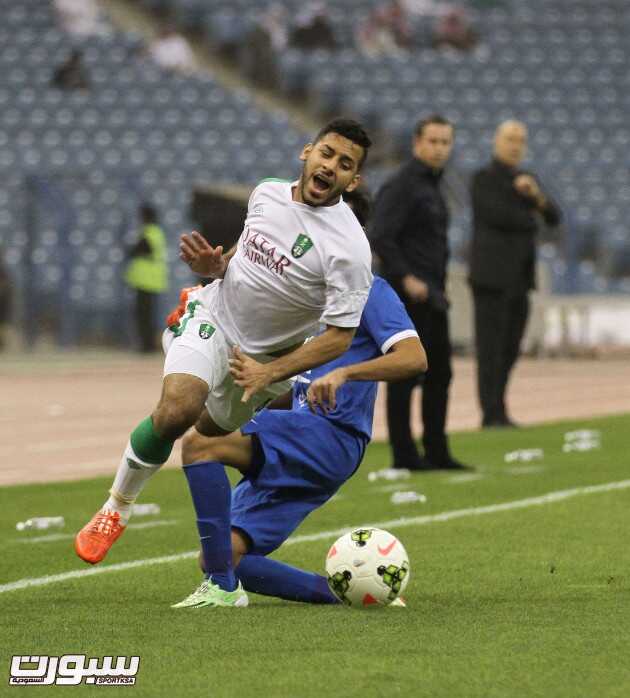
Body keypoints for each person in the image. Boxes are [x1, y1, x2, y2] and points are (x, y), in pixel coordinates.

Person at [74, 118, 374, 565]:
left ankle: (220, 562)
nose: (332, 166)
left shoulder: (350, 248)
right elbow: (245, 250)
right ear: (307, 153)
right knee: (178, 409)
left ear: (354, 180)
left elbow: (338, 338)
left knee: (209, 436)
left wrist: (270, 372)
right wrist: (216, 268)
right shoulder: (267, 192)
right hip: (213, 317)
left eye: (345, 164)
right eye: (327, 154)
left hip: (260, 363)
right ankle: (115, 508)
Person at [171, 273, 426, 608]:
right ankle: (346, 594)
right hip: (306, 436)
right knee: (221, 554)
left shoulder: (369, 290)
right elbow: (298, 391)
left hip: (331, 434)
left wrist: (346, 373)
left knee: (199, 445)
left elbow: (414, 358)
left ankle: (222, 590)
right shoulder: (300, 292)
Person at [369, 114, 469, 472]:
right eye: (433, 141)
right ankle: (404, 454)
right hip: (405, 297)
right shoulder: (402, 184)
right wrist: (407, 276)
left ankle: (437, 451)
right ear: (417, 143)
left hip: (434, 295)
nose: (440, 148)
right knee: (405, 376)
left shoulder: (434, 186)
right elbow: (379, 235)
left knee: (440, 375)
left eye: (445, 142)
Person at [469, 120, 562, 428]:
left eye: (520, 140)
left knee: (510, 347)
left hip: (520, 279)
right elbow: (497, 215)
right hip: (491, 278)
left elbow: (553, 217)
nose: (515, 145)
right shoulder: (482, 178)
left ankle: (500, 407)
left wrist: (535, 196)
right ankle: (490, 413)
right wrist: (529, 216)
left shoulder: (527, 181)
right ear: (497, 141)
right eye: (510, 139)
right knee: (490, 349)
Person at [124, 204, 169, 353]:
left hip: (146, 280)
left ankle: (146, 345)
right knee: (147, 314)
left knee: (144, 314)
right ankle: (147, 344)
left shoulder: (149, 233)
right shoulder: (156, 232)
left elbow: (137, 250)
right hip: (151, 280)